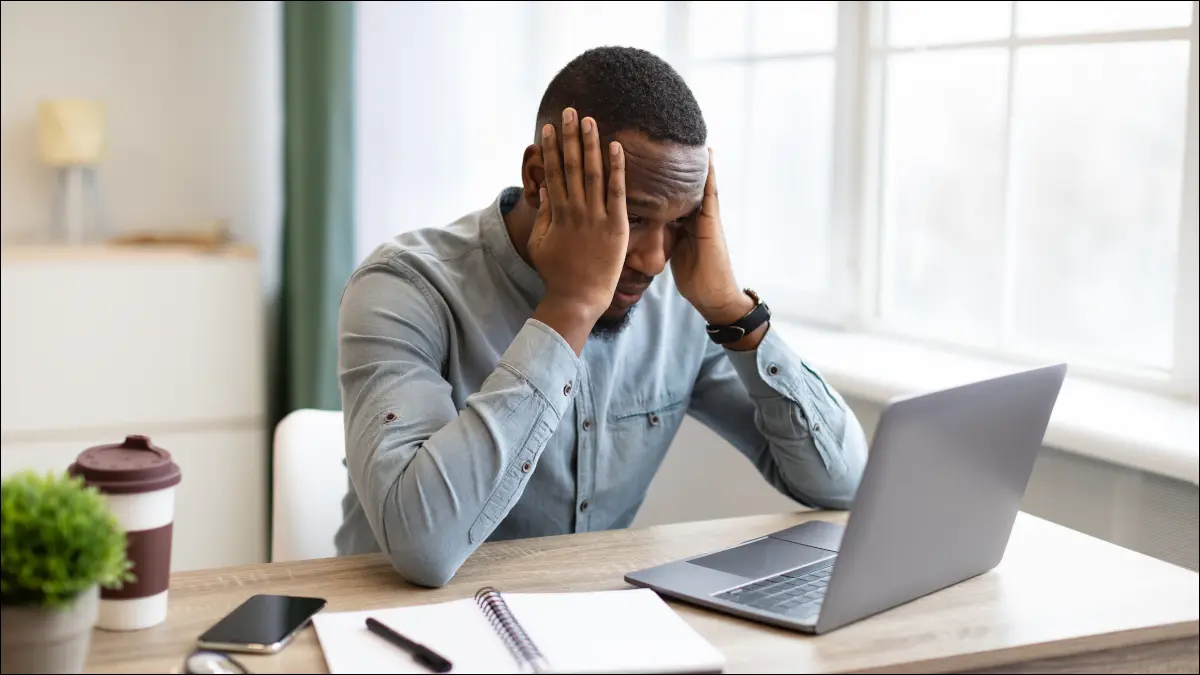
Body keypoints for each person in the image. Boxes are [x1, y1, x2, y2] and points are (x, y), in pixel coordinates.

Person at [335, 46, 868, 587]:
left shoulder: (681, 303)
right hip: (402, 631)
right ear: (540, 179)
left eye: (679, 223)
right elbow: (422, 547)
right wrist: (570, 307)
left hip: (592, 624)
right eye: (632, 216)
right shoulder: (405, 287)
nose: (654, 259)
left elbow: (844, 486)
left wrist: (734, 311)